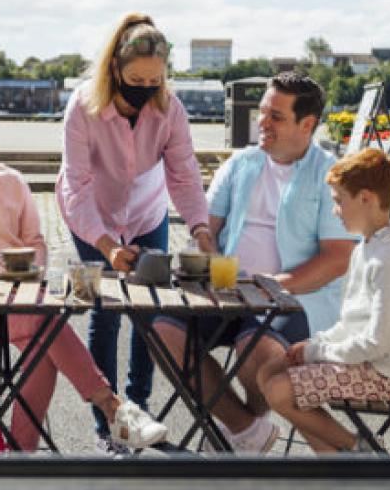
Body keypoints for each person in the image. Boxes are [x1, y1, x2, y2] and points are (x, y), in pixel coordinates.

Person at [0, 93, 168, 452]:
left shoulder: (11, 181)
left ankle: (22, 453)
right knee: (47, 326)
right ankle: (112, 409)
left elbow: (37, 244)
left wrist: (25, 268)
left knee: (43, 344)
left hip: (19, 301)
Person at [152, 71, 356, 454]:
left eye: (275, 116)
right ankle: (246, 429)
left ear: (307, 124)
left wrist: (272, 285)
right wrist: (204, 243)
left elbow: (336, 258)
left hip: (295, 301)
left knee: (255, 345)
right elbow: (206, 225)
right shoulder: (241, 163)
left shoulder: (328, 174)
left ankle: (242, 433)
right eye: (263, 112)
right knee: (162, 330)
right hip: (228, 293)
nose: (262, 122)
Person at [57, 13, 217, 454]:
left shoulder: (170, 108)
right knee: (105, 310)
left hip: (147, 213)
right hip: (92, 214)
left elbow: (184, 175)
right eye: (135, 79)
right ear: (115, 69)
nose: (145, 88)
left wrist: (200, 227)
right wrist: (107, 245)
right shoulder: (83, 106)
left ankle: (138, 409)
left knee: (148, 310)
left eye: (154, 80)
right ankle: (108, 422)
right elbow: (78, 185)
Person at [258, 147, 390, 453]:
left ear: (366, 198)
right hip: (373, 362)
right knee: (269, 370)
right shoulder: (369, 246)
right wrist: (316, 346)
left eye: (338, 201)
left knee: (280, 391)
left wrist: (318, 351)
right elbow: (352, 322)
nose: (335, 210)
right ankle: (337, 466)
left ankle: (361, 448)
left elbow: (377, 342)